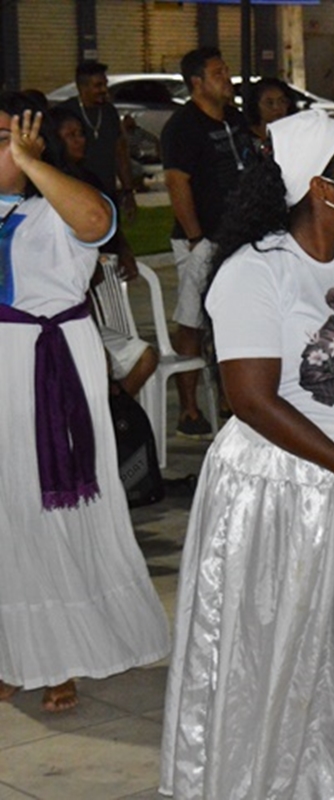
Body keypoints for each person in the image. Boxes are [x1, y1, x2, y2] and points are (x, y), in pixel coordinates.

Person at [159, 109, 334, 798]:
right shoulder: (256, 270)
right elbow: (250, 397)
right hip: (280, 484)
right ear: (316, 183)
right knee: (268, 653)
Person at [0, 95, 170, 714]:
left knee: (52, 507)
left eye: (7, 140)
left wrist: (30, 163)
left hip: (45, 369)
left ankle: (62, 654)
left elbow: (100, 223)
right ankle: (14, 651)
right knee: (8, 512)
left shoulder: (54, 210)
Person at [161, 46, 255, 438]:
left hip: (240, 236)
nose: (226, 78)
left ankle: (231, 398)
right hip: (202, 239)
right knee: (192, 321)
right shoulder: (182, 126)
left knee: (234, 320)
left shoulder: (235, 118)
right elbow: (176, 183)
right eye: (218, 73)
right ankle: (189, 409)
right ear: (196, 82)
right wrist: (197, 237)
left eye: (226, 70)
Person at [46, 107, 160, 398]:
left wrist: (123, 250)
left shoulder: (89, 179)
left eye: (81, 133)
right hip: (62, 317)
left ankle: (114, 409)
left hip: (90, 303)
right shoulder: (50, 191)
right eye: (70, 135)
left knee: (144, 357)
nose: (80, 140)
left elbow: (109, 228)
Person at [57, 61, 136, 215]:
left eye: (105, 84)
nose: (104, 90)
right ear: (82, 87)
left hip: (107, 192)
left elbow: (120, 152)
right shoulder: (65, 113)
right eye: (98, 86)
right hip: (76, 193)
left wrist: (128, 191)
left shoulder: (109, 112)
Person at [244, 77, 296, 149]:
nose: (276, 107)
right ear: (255, 105)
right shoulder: (244, 137)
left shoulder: (295, 135)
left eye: (282, 101)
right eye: (269, 103)